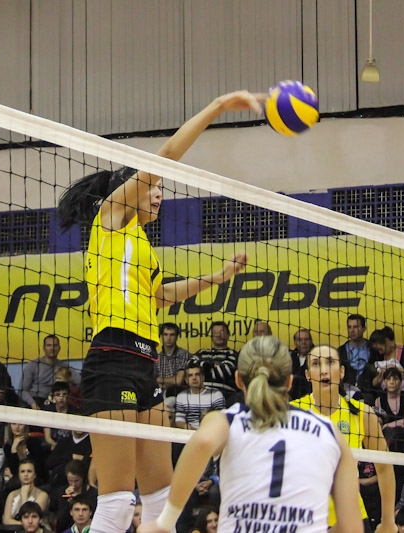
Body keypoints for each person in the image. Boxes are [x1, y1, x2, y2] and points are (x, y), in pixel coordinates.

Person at [56, 89, 262, 533]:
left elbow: (159, 297)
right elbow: (166, 155)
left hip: (146, 362)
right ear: (129, 191)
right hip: (111, 358)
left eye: (160, 189)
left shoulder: (141, 245)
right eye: (152, 187)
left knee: (159, 499)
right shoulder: (111, 219)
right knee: (115, 504)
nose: (158, 194)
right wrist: (217, 108)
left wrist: (218, 277)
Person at [137, 335, 365, 533]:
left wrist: (164, 522)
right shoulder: (329, 431)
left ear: (238, 380)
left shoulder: (226, 421)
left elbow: (202, 441)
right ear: (289, 381)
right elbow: (352, 528)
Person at [291, 344, 397, 532]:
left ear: (341, 372)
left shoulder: (362, 413)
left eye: (330, 362)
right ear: (307, 374)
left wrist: (388, 521)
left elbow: (384, 468)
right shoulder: (292, 413)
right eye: (316, 364)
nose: (324, 370)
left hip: (351, 519)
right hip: (304, 520)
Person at [20, 334, 81, 410]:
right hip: (36, 400)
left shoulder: (64, 367)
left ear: (59, 348)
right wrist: (33, 404)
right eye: (49, 345)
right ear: (44, 348)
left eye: (55, 345)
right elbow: (22, 390)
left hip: (56, 404)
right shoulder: (33, 365)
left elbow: (80, 382)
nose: (52, 348)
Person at [191, 321, 242, 405]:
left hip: (224, 395)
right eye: (215, 332)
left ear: (228, 335)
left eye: (222, 332)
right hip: (198, 393)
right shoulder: (201, 352)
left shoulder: (233, 354)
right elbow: (190, 365)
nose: (218, 335)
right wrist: (213, 366)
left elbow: (222, 373)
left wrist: (202, 369)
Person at [49, 460, 97, 533]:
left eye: (76, 481)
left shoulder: (93, 493)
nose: (73, 484)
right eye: (70, 480)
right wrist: (67, 501)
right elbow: (60, 524)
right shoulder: (61, 492)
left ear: (82, 477)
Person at [174, 361, 225, 430]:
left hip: (211, 431)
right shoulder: (181, 396)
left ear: (203, 377)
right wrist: (188, 428)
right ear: (186, 380)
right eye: (190, 375)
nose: (194, 378)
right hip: (189, 432)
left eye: (197, 374)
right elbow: (179, 420)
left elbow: (221, 419)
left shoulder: (215, 394)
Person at [3, 458, 50, 525]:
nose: (26, 474)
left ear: (35, 475)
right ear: (18, 475)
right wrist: (20, 524)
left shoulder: (42, 495)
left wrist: (24, 495)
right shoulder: (12, 494)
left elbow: (30, 520)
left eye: (29, 471)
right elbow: (6, 520)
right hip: (14, 529)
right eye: (22, 471)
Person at [339, 314, 371, 386]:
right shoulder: (340, 351)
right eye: (349, 327)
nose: (352, 330)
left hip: (369, 390)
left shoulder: (373, 349)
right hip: (347, 390)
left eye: (356, 327)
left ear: (364, 329)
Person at [289, 327, 313, 400]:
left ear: (311, 341)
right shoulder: (289, 359)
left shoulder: (318, 357)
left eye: (306, 339)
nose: (303, 342)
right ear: (295, 343)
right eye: (300, 340)